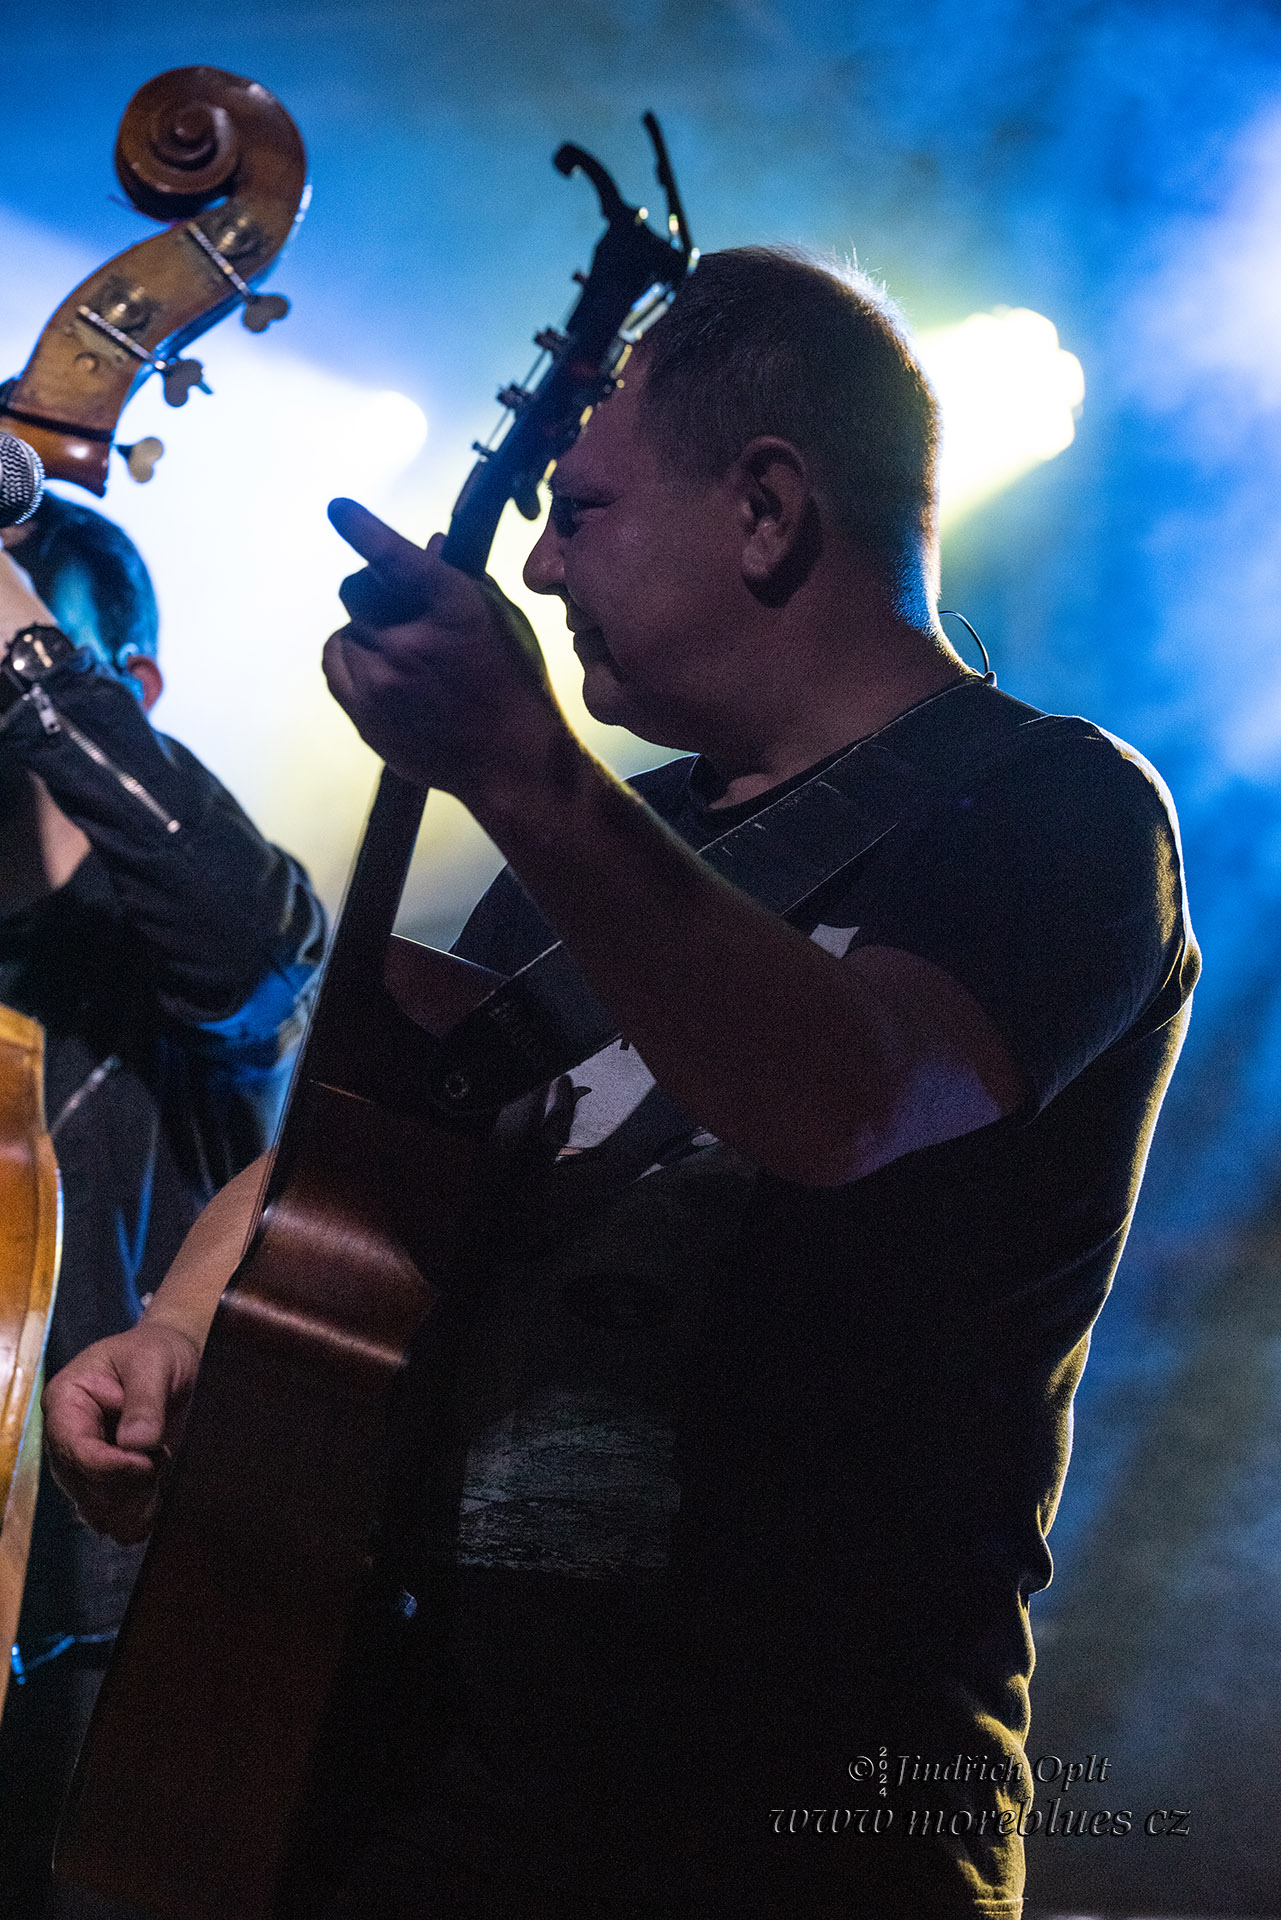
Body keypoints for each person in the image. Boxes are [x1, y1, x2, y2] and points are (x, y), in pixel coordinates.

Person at [44, 250, 1198, 1919]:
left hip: (790, 1832)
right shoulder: (598, 842)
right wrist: (181, 1326)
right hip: (422, 1794)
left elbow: (840, 1102)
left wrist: (523, 768)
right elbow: (360, 1154)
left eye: (579, 511)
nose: (535, 556)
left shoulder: (1056, 817)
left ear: (765, 509)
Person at [0, 490, 326, 1919]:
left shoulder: (191, 955)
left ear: (122, 686)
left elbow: (255, 937)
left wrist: (28, 679)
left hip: (88, 1664)